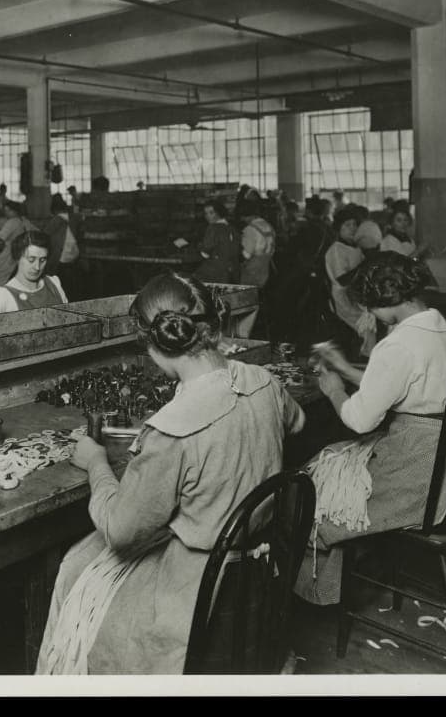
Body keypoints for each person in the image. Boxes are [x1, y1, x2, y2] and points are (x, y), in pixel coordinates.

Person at [36, 273, 306, 673]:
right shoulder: (262, 380)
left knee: (75, 568)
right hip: (259, 565)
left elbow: (120, 532)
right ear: (212, 328)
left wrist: (96, 462)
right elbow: (297, 422)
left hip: (196, 584)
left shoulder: (171, 431)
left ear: (155, 345)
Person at [294, 252, 446, 605]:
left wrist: (334, 391)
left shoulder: (397, 344)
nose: (369, 315)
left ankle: (319, 589)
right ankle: (330, 579)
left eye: (369, 307)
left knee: (315, 482)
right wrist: (346, 369)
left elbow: (360, 420)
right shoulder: (438, 327)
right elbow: (402, 384)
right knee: (335, 461)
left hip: (417, 471)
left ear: (384, 301)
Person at [325, 204, 377, 357]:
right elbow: (342, 280)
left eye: (355, 224)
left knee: (375, 313)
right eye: (348, 225)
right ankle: (367, 353)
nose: (353, 228)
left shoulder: (355, 247)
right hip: (342, 297)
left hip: (354, 293)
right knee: (367, 320)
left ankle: (370, 352)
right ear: (339, 228)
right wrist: (366, 264)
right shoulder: (336, 249)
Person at [0, 230, 68, 315]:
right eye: (31, 260)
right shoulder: (2, 295)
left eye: (42, 260)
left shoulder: (54, 284)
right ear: (17, 258)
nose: (37, 267)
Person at [235, 198, 277, 338]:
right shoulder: (267, 225)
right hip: (265, 268)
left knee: (244, 300)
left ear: (245, 215)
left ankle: (243, 333)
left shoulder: (250, 229)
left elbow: (246, 254)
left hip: (252, 269)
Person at [192, 199, 239, 285]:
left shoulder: (213, 228)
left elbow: (205, 254)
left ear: (219, 212)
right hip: (231, 271)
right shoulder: (231, 228)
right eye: (206, 213)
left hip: (214, 271)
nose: (207, 216)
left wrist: (198, 246)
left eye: (211, 213)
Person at [45, 194, 81, 300]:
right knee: (71, 284)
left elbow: (46, 234)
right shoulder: (73, 218)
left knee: (60, 283)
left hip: (61, 256)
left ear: (54, 209)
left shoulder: (56, 220)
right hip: (73, 255)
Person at [0, 200, 28, 288]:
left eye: (7, 210)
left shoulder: (12, 222)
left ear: (13, 211)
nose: (5, 213)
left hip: (8, 254)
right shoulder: (20, 220)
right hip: (16, 252)